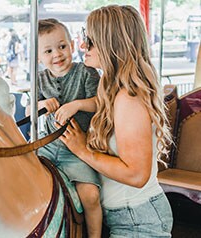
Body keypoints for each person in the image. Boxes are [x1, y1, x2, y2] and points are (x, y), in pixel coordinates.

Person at [57, 5, 173, 237]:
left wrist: (83, 150)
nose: (82, 47)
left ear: (111, 44)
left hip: (138, 219)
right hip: (123, 214)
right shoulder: (112, 89)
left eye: (89, 40)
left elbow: (136, 175)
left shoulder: (129, 98)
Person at [27, 18, 102, 238]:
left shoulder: (86, 72)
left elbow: (100, 102)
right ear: (39, 57)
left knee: (90, 195)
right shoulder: (39, 80)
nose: (57, 55)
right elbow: (31, 111)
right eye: (48, 51)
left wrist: (77, 105)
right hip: (48, 144)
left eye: (61, 47)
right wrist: (41, 104)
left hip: (77, 150)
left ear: (71, 45)